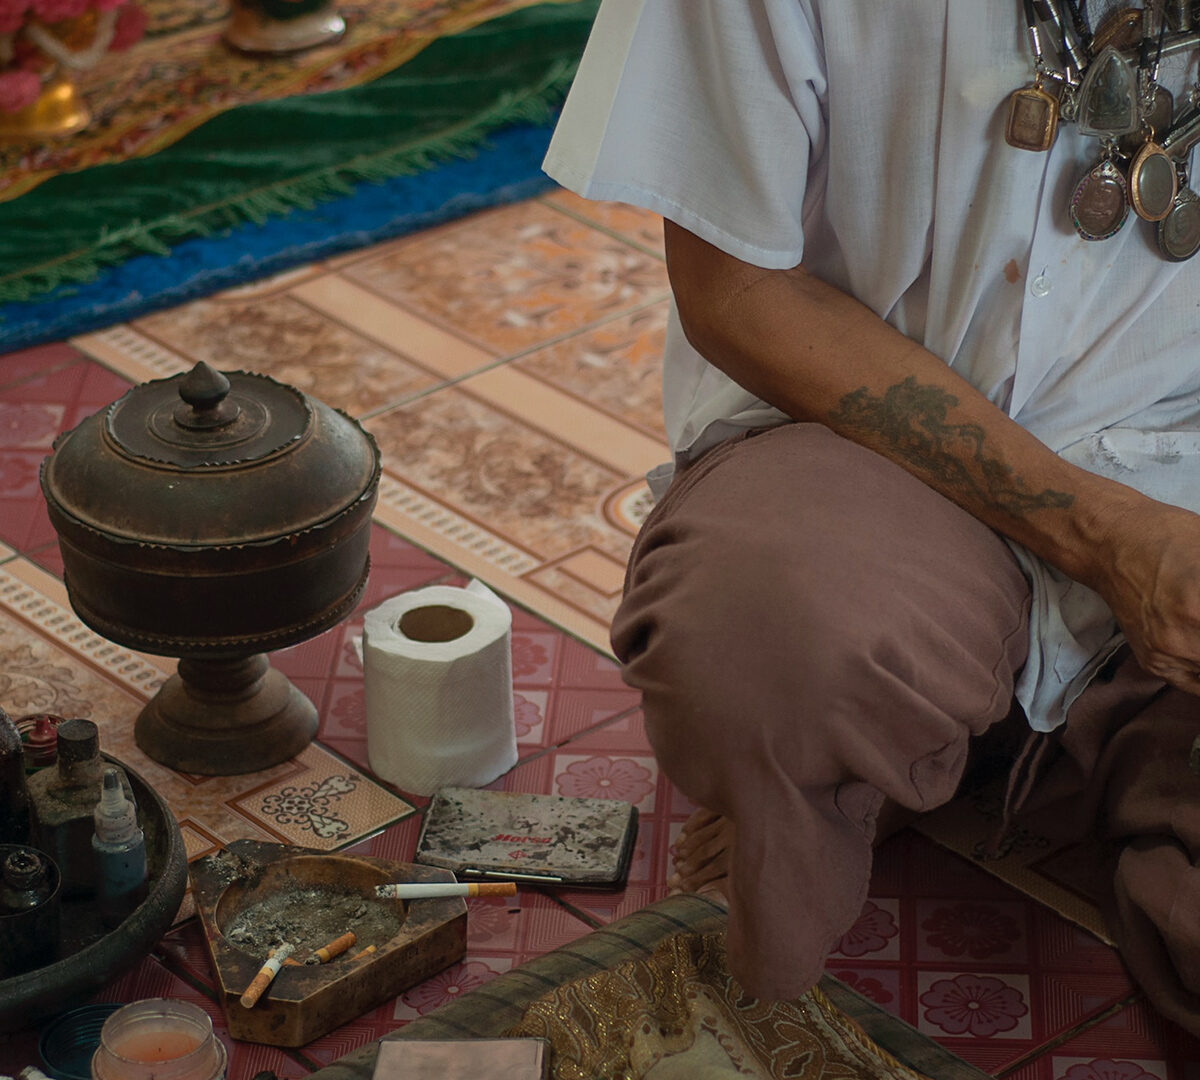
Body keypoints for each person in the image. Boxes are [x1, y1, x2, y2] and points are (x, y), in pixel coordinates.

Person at [542, 0, 1200, 1035]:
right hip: (874, 452)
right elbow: (736, 291)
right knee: (765, 638)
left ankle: (1052, 758)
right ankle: (894, 754)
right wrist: (1107, 536)